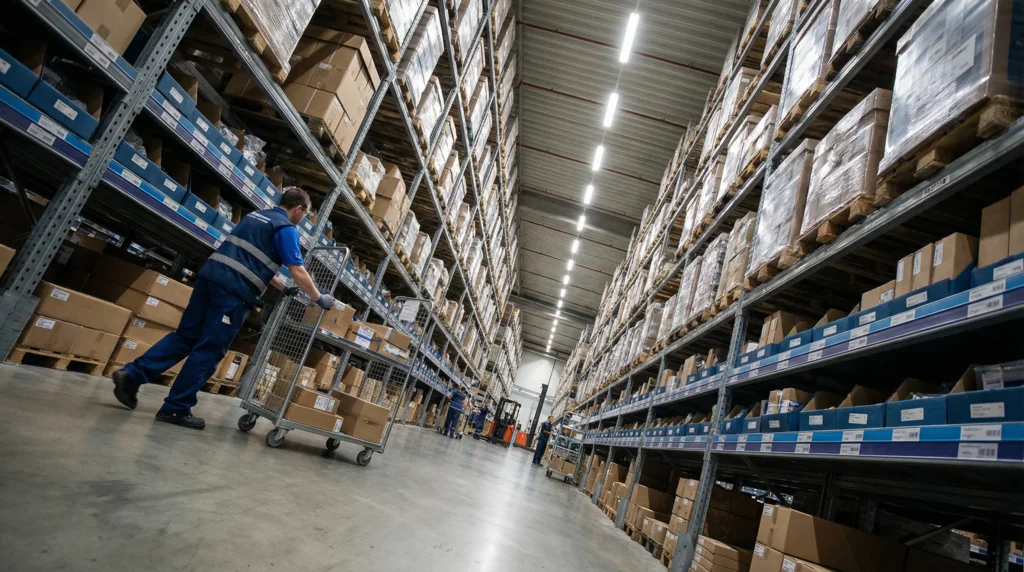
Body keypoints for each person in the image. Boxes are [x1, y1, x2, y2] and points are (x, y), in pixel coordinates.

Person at [111, 188, 334, 430]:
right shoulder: (285, 228)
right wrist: (318, 297)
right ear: (299, 209)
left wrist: (281, 287)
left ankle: (131, 375)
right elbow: (297, 270)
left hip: (209, 280)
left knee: (185, 337)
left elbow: (250, 258)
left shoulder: (255, 217)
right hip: (232, 294)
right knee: (209, 349)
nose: (303, 219)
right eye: (306, 214)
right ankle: (175, 409)